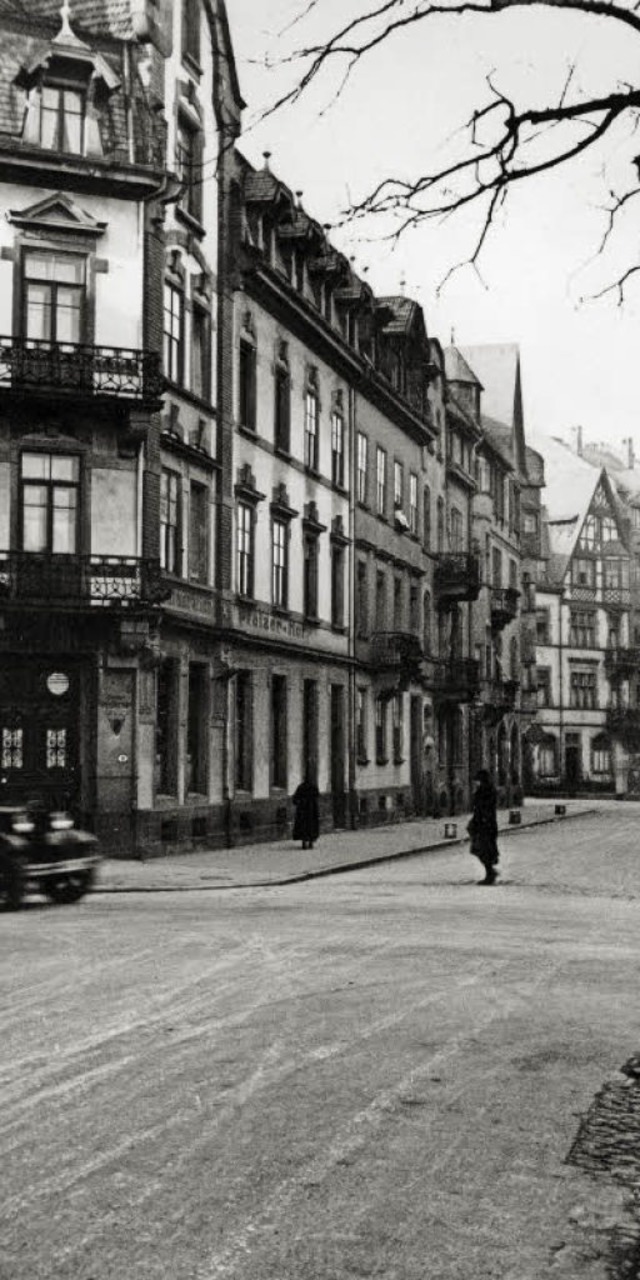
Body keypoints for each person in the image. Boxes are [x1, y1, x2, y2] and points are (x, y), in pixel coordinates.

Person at [467, 769, 500, 885]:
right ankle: (490, 873)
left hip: (486, 826)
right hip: (483, 825)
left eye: (477, 781)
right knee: (481, 850)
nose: (476, 783)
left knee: (484, 850)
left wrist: (479, 821)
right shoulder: (483, 791)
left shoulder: (487, 792)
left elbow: (485, 810)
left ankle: (490, 874)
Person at [292, 772, 320, 850]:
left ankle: (304, 843)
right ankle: (310, 842)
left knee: (303, 826)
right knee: (311, 826)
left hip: (303, 810)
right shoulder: (314, 787)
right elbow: (317, 796)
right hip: (312, 811)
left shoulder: (301, 787)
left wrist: (299, 802)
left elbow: (295, 798)